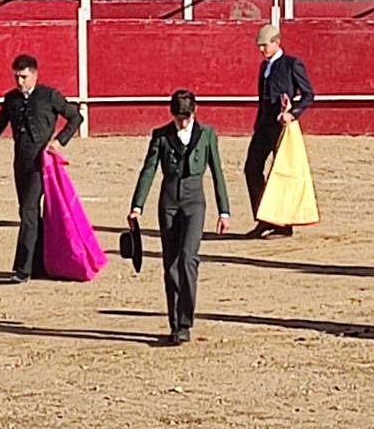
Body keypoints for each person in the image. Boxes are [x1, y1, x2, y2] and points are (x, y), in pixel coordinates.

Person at [0, 54, 82, 283]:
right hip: (21, 162)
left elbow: (75, 117)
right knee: (28, 213)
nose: (19, 82)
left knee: (29, 213)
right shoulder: (11, 99)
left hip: (43, 164)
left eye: (23, 77)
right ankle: (39, 265)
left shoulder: (49, 96)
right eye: (16, 77)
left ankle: (22, 270)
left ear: (34, 75)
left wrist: (59, 141)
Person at [129, 90, 230, 346]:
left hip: (195, 201)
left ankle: (185, 321)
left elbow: (217, 171)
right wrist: (137, 205)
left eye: (185, 117)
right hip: (169, 203)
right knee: (171, 263)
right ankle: (175, 324)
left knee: (188, 258)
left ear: (193, 112)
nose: (182, 122)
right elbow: (149, 170)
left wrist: (224, 210)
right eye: (178, 117)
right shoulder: (161, 135)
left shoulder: (207, 135)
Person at [246, 24, 315, 238]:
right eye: (259, 46)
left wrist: (292, 113)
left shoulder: (292, 64)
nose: (261, 50)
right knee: (252, 168)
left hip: (282, 128)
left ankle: (283, 224)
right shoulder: (263, 67)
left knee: (281, 174)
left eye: (264, 45)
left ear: (277, 42)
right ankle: (265, 218)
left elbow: (308, 94)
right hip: (264, 125)